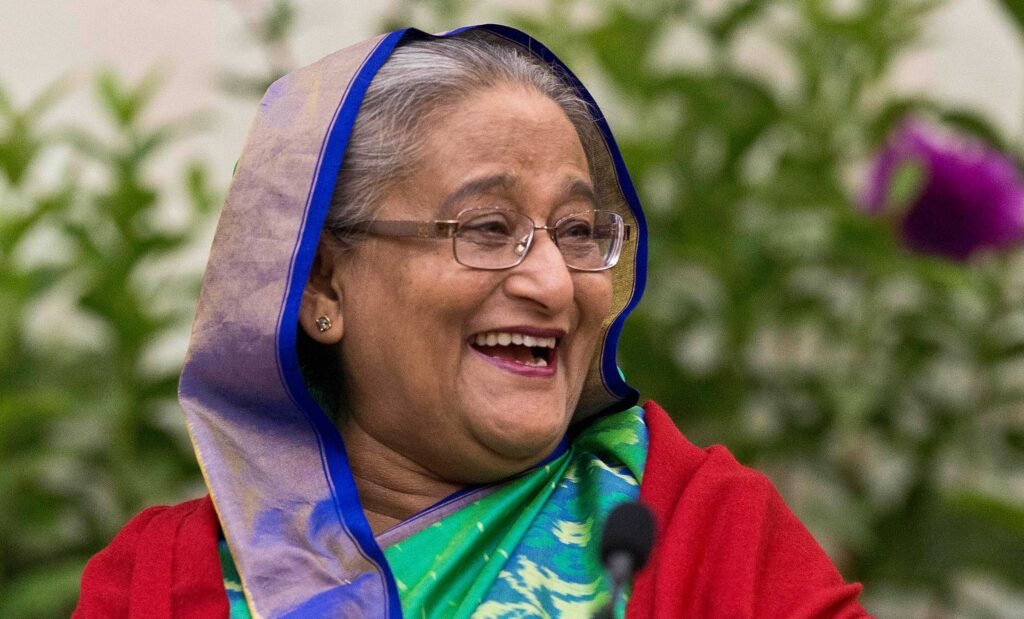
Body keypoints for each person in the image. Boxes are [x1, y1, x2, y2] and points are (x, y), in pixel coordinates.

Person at [74, 25, 870, 618]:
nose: (554, 283)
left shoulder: (694, 529)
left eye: (579, 230)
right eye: (488, 228)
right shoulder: (168, 583)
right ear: (323, 285)